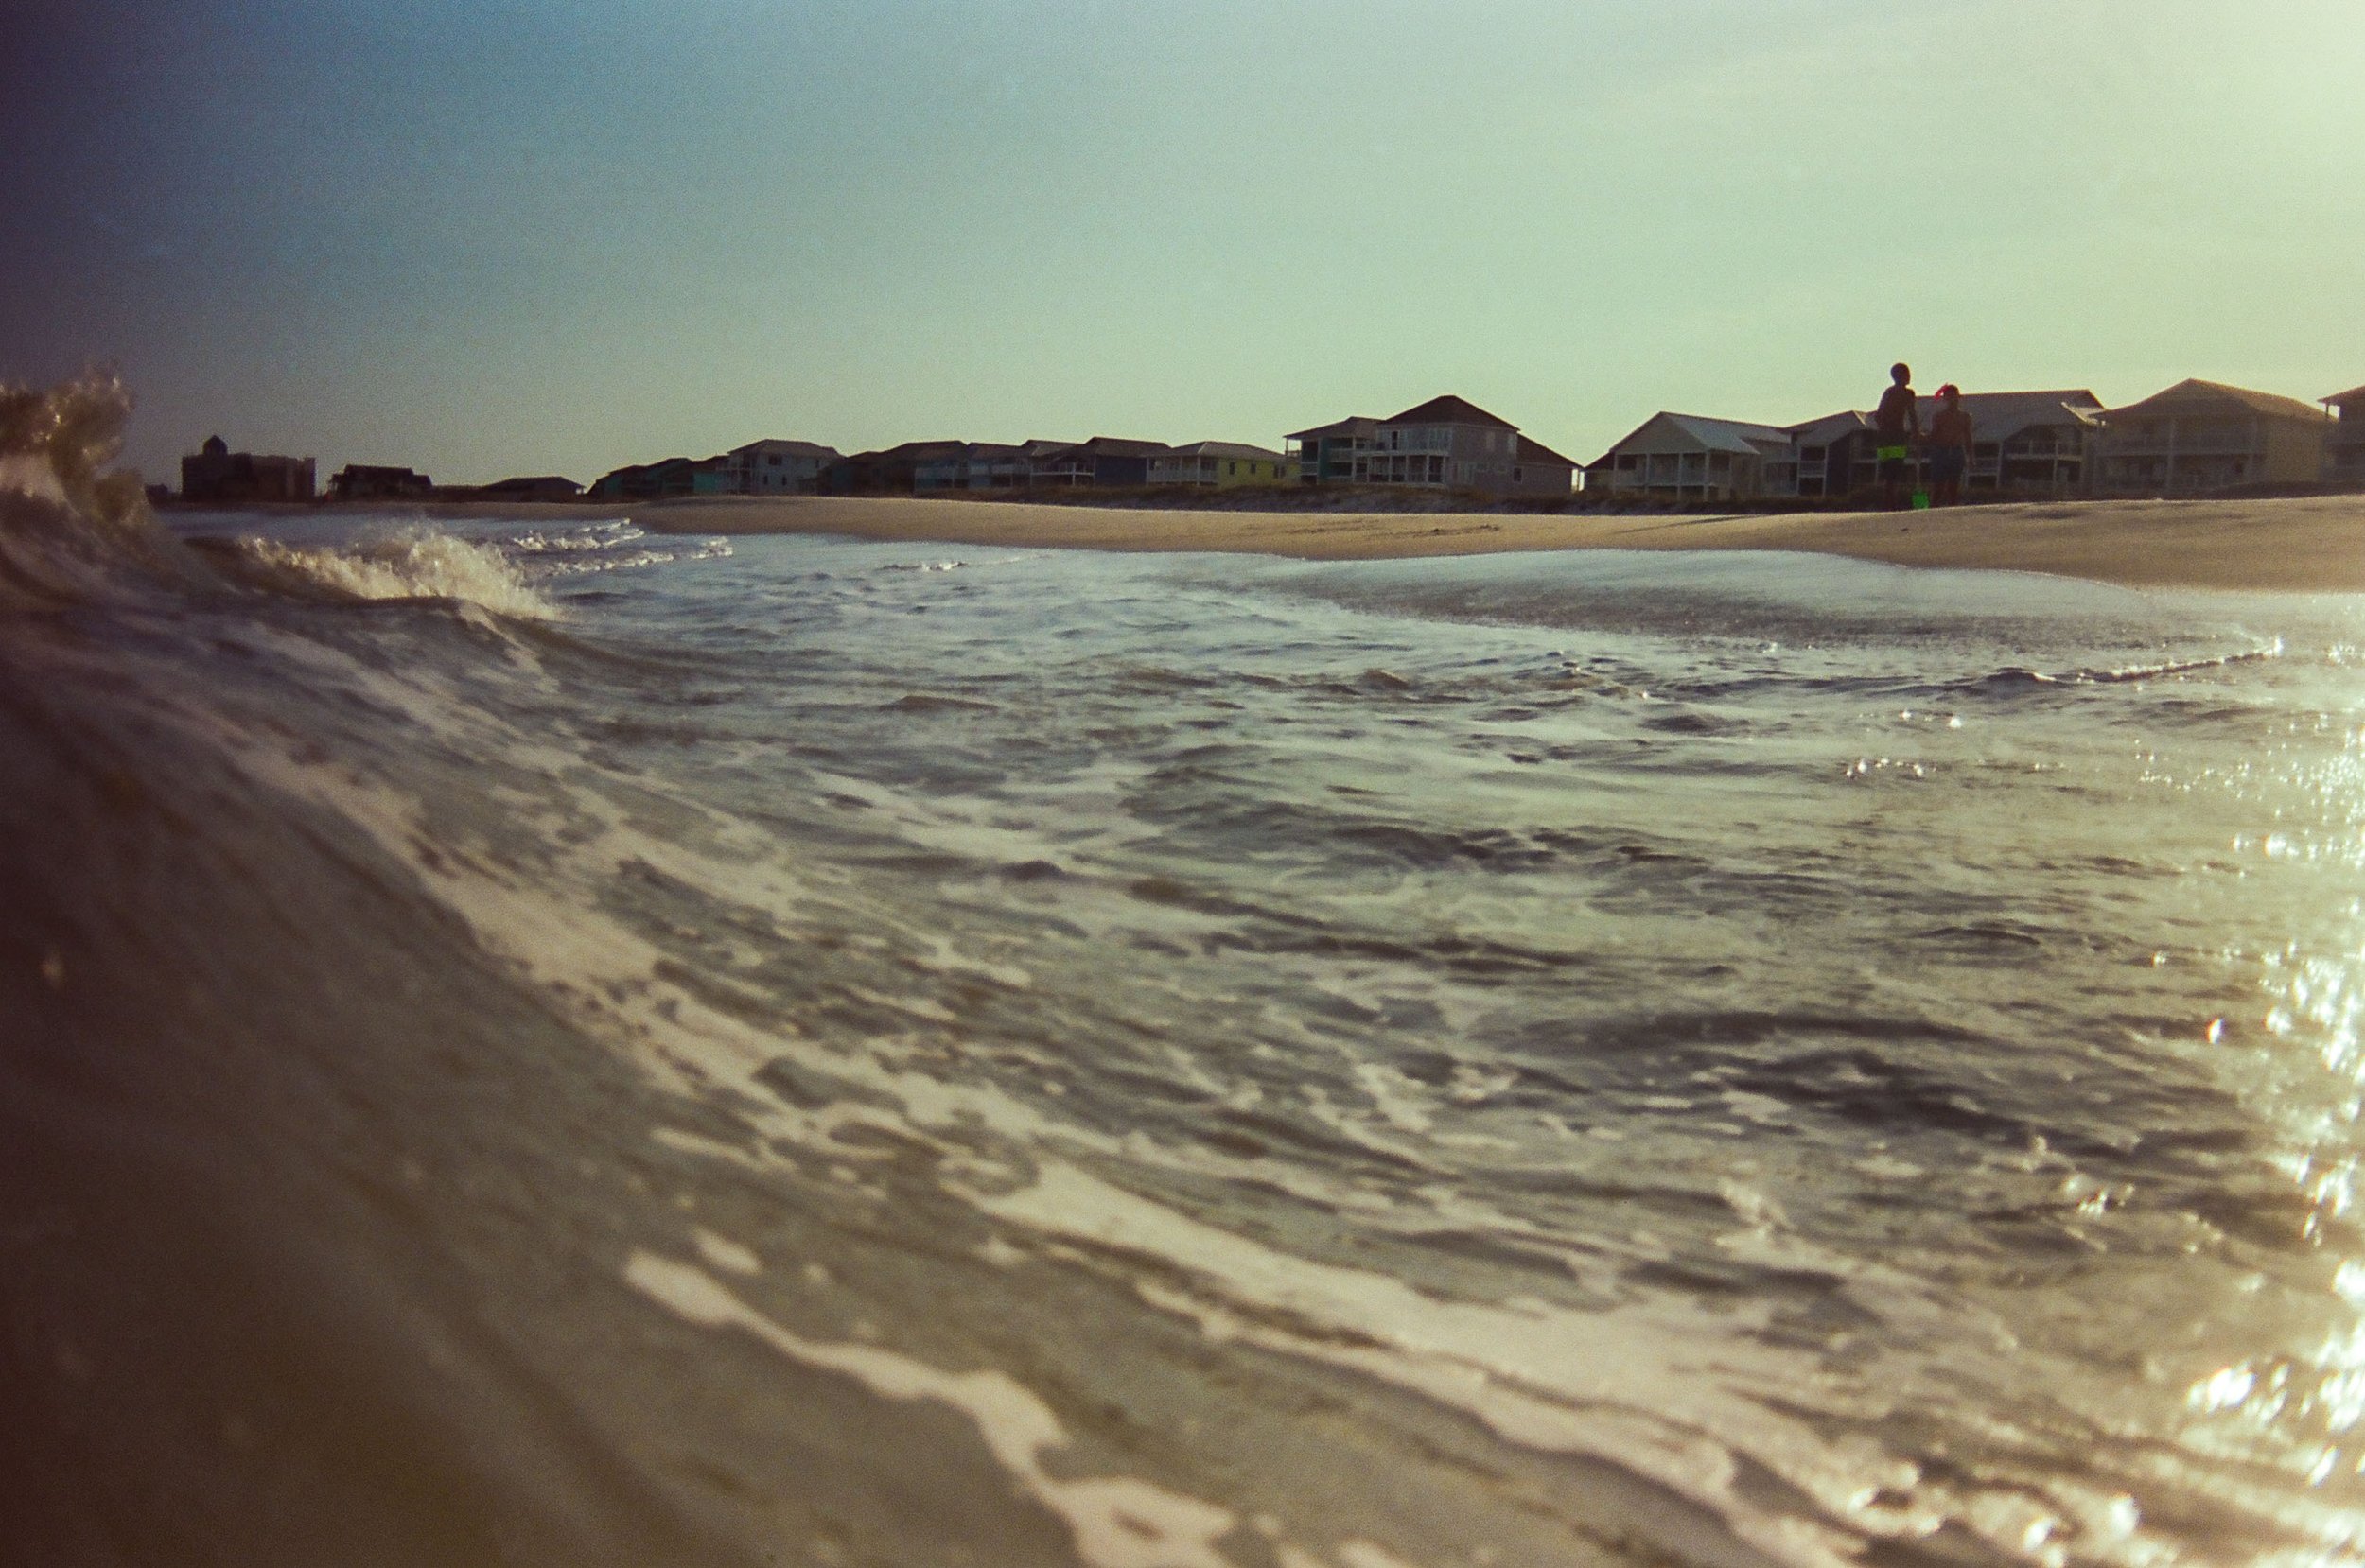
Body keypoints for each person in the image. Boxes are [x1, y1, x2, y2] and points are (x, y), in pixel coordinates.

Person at [1873, 362, 1918, 509]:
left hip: (1884, 437)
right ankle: (1891, 504)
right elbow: (1912, 415)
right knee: (1894, 471)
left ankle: (1889, 504)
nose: (1909, 377)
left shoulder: (1888, 392)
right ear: (1900, 376)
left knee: (1889, 473)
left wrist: (1884, 429)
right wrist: (1915, 434)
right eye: (1907, 374)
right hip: (1895, 437)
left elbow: (1878, 415)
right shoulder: (1907, 393)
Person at [1926, 384, 1974, 507]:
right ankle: (1932, 509)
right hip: (1941, 452)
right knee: (1938, 486)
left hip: (1957, 451)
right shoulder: (1939, 416)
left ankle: (1952, 512)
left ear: (1958, 397)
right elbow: (1934, 435)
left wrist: (1971, 457)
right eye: (1949, 396)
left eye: (1954, 396)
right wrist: (1922, 438)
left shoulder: (1965, 416)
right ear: (1945, 399)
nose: (1952, 399)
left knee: (1954, 487)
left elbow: (1968, 437)